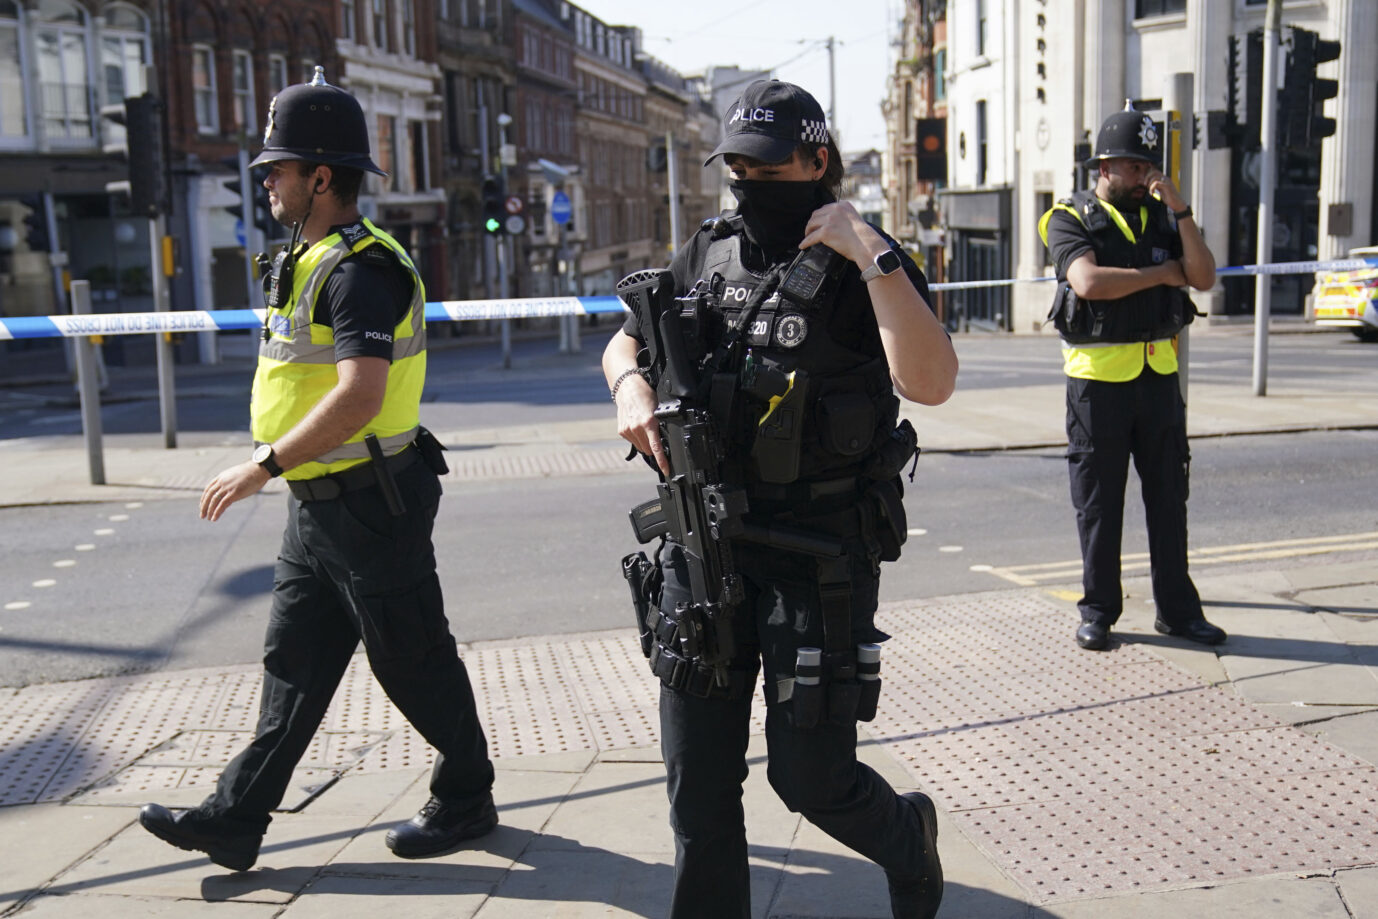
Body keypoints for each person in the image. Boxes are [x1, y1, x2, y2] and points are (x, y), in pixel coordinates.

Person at [604, 80, 958, 919]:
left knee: (812, 779)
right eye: (737, 166)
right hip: (705, 546)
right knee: (698, 791)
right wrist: (628, 387)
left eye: (768, 166)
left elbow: (931, 381)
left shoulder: (866, 261)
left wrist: (869, 251)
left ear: (817, 161)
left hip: (816, 554)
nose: (750, 182)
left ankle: (908, 838)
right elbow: (628, 338)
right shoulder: (709, 247)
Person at [138, 68, 496, 871]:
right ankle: (236, 819)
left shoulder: (360, 272)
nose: (266, 179)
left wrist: (262, 463)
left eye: (279, 168)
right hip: (319, 501)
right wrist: (284, 472)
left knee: (411, 657)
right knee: (293, 663)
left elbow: (359, 395)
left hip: (373, 500)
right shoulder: (307, 256)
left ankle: (468, 794)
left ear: (321, 178)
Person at [1038, 101, 1227, 652]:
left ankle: (1178, 611)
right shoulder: (1067, 217)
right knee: (1100, 504)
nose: (1144, 176)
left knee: (1170, 499)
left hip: (1158, 380)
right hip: (1097, 385)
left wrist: (1183, 212)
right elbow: (1090, 282)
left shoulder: (1167, 217)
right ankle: (1099, 610)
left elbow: (1204, 276)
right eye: (1132, 166)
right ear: (1104, 169)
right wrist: (1162, 274)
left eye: (1148, 166)